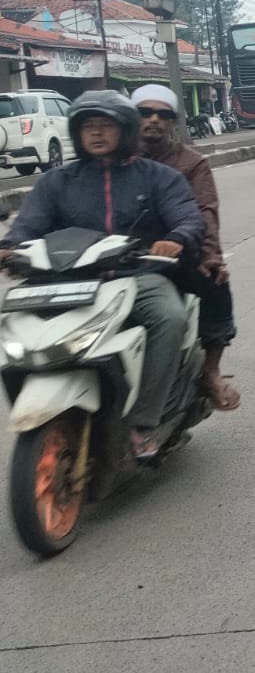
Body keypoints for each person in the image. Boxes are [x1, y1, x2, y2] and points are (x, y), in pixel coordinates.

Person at [0, 92, 205, 457]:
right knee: (15, 322)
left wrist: (174, 240)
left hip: (136, 275)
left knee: (169, 317)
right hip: (65, 280)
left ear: (125, 130)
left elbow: (187, 218)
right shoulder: (56, 181)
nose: (95, 133)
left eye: (105, 126)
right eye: (87, 126)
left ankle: (146, 421)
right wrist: (10, 247)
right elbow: (28, 226)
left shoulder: (159, 177)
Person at [132, 84, 241, 412]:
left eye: (162, 115)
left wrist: (210, 256)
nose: (153, 120)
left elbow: (205, 213)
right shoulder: (111, 161)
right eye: (144, 113)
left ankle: (210, 371)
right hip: (115, 260)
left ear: (173, 121)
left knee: (215, 282)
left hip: (173, 256)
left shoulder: (191, 163)